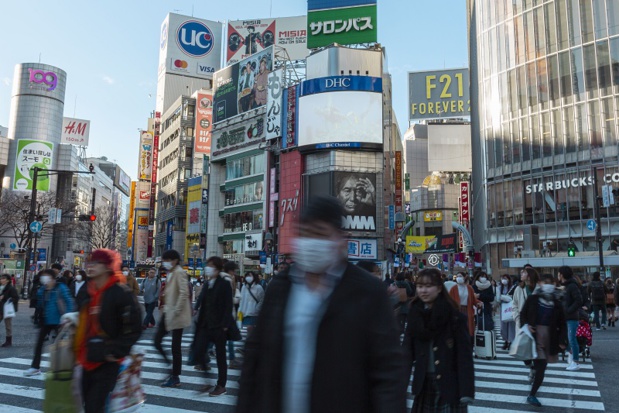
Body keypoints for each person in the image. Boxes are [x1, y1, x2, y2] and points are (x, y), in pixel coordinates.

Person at [236, 196, 407, 413]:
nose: (311, 242)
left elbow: (388, 372)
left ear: (340, 240)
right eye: (305, 234)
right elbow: (255, 358)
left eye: (320, 234)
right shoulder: (281, 287)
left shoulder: (368, 293)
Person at [74, 249, 142, 413]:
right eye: (90, 262)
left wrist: (116, 352)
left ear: (107, 267)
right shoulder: (86, 290)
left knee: (94, 406)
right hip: (85, 357)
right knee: (85, 404)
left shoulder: (120, 292)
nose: (91, 266)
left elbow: (134, 326)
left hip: (107, 360)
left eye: (97, 263)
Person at [404, 268, 475, 412]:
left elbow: (464, 356)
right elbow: (406, 353)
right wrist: (398, 385)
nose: (423, 291)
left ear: (439, 288)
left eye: (428, 286)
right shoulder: (414, 315)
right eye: (420, 286)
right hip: (424, 384)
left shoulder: (454, 317)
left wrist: (466, 390)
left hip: (449, 385)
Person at [519, 273, 567, 407]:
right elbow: (523, 314)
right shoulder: (533, 299)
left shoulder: (557, 302)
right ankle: (531, 368)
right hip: (533, 334)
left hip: (549, 336)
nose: (548, 286)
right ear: (540, 283)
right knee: (532, 361)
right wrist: (526, 325)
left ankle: (532, 394)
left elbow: (563, 323)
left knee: (542, 367)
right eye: (545, 282)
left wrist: (562, 340)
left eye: (551, 283)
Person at [193, 256, 233, 396]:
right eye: (207, 265)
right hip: (206, 325)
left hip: (219, 326)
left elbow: (228, 305)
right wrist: (196, 309)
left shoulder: (224, 283)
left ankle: (221, 385)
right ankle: (207, 381)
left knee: (221, 356)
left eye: (210, 265)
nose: (207, 267)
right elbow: (203, 299)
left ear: (217, 268)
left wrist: (225, 325)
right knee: (198, 351)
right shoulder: (208, 283)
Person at [24, 269, 74, 376]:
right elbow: (39, 304)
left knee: (61, 346)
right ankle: (35, 367)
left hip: (60, 321)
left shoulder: (60, 287)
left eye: (45, 276)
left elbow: (69, 301)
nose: (43, 278)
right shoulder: (43, 289)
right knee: (39, 344)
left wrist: (67, 317)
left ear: (52, 277)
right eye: (43, 276)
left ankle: (63, 367)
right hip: (46, 321)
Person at [154, 250, 192, 388]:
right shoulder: (171, 273)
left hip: (176, 314)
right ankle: (171, 371)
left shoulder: (179, 272)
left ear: (175, 260)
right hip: (168, 312)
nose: (165, 263)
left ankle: (174, 376)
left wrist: (176, 309)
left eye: (167, 260)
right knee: (157, 341)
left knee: (175, 347)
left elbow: (184, 292)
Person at [558, 265, 583, 371]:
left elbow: (579, 300)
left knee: (572, 339)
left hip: (571, 316)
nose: (558, 275)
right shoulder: (566, 286)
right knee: (566, 339)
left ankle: (576, 362)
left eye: (559, 273)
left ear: (562, 274)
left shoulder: (572, 286)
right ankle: (572, 355)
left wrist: (568, 310)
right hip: (566, 316)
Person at [448, 272, 481, 338]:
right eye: (457, 276)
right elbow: (449, 300)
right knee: (458, 328)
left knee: (468, 327)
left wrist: (478, 303)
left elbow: (473, 299)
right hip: (457, 310)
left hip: (467, 310)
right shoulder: (453, 289)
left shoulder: (469, 288)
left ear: (464, 277)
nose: (458, 278)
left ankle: (468, 342)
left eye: (460, 276)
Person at [238, 271, 265, 336]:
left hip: (253, 313)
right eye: (247, 276)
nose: (248, 277)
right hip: (244, 312)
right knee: (248, 330)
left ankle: (251, 342)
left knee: (250, 328)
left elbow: (262, 300)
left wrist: (257, 309)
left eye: (250, 276)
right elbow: (242, 299)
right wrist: (240, 311)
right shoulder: (244, 287)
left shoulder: (258, 287)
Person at [513, 267, 538, 333]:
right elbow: (514, 305)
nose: (521, 274)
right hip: (522, 323)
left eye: (524, 272)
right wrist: (518, 319)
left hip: (536, 325)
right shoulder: (519, 289)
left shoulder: (538, 289)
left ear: (529, 276)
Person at [496, 274, 517, 350]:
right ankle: (505, 341)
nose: (504, 280)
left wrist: (504, 297)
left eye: (505, 278)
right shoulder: (499, 288)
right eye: (502, 278)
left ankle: (511, 341)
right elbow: (498, 299)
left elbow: (513, 298)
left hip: (510, 308)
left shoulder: (513, 287)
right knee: (503, 326)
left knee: (511, 326)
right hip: (503, 308)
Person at [0, 274, 19, 347]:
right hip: (0, 308)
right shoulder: (1, 287)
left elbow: (16, 298)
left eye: (3, 278)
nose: (1, 280)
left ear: (7, 280)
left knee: (8, 325)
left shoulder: (11, 288)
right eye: (1, 278)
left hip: (7, 309)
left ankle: (8, 341)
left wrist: (5, 298)